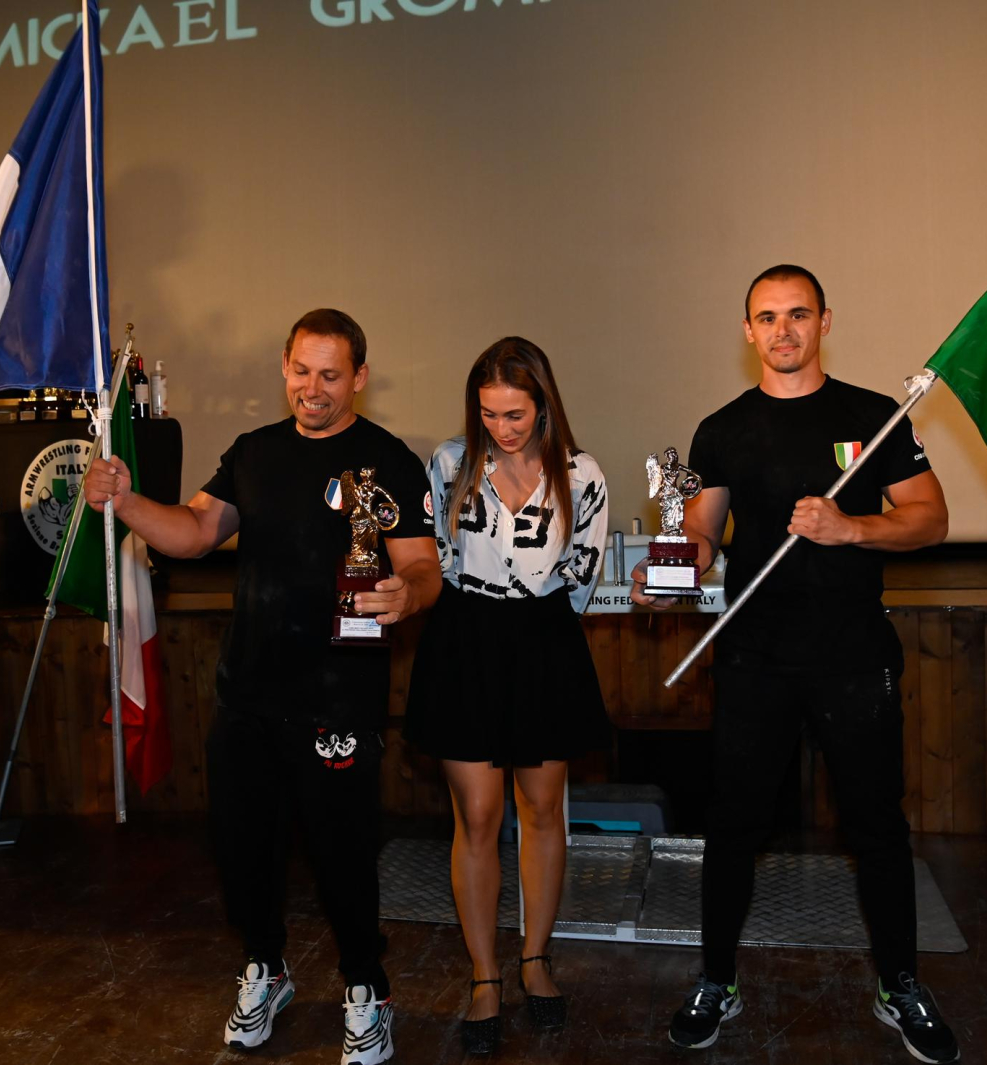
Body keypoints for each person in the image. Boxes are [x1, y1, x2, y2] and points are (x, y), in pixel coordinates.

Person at [83, 308, 440, 1065]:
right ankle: (265, 968)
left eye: (331, 375)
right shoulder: (254, 452)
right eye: (301, 371)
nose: (313, 388)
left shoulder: (388, 459)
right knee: (243, 849)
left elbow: (421, 564)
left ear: (360, 378)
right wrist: (125, 500)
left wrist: (408, 592)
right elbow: (192, 532)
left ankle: (367, 987)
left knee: (343, 854)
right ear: (284, 367)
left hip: (339, 698)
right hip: (248, 693)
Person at [634, 266, 957, 1063]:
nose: (784, 329)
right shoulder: (722, 429)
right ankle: (717, 979)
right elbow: (702, 533)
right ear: (748, 330)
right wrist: (671, 567)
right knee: (734, 824)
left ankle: (900, 983)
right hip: (754, 658)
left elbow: (930, 519)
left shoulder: (873, 416)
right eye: (768, 317)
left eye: (798, 314)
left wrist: (853, 529)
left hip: (853, 657)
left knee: (877, 825)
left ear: (825, 321)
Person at [404, 337, 610, 1055]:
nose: (502, 427)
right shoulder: (448, 464)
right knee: (479, 814)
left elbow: (580, 577)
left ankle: (536, 960)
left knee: (543, 810)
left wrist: (537, 629)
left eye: (515, 413)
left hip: (544, 641)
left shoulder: (581, 474)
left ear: (543, 404)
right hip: (464, 640)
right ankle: (485, 975)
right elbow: (432, 558)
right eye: (489, 413)